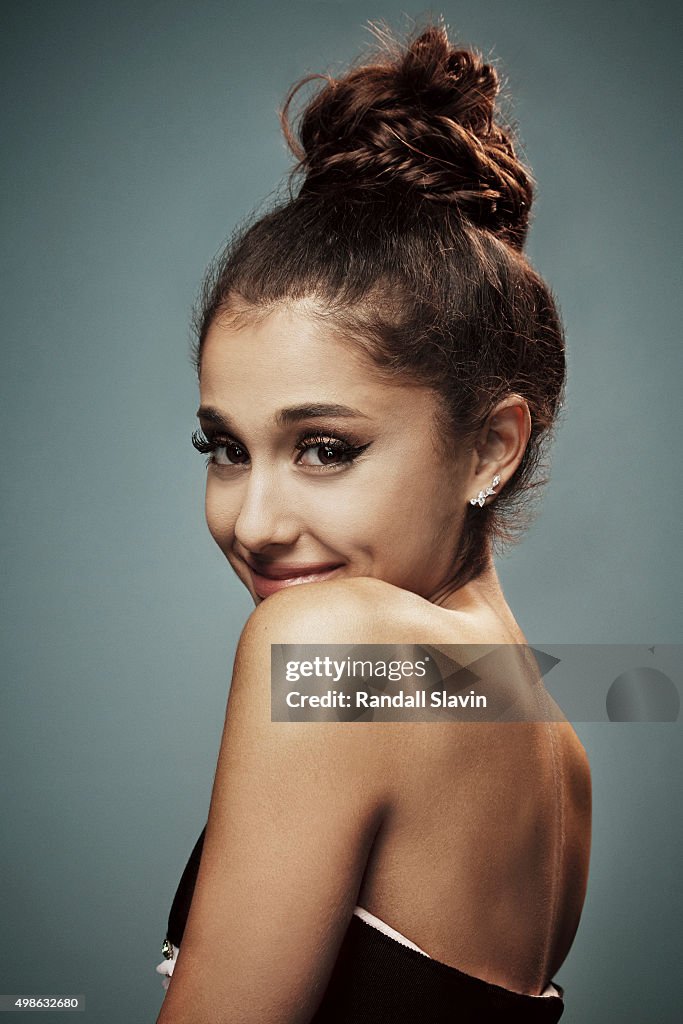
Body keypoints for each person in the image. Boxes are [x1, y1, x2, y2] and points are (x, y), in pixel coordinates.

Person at [155, 19, 591, 1023]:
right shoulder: (552, 748)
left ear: (490, 445)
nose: (253, 521)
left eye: (325, 448)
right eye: (224, 448)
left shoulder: (326, 642)